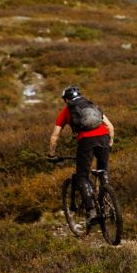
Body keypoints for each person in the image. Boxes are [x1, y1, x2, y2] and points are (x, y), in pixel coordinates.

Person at [48, 86, 114, 226]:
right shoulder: (91, 105)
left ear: (66, 99)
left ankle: (91, 212)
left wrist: (52, 154)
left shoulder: (67, 110)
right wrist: (110, 142)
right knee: (103, 169)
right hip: (104, 138)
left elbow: (55, 137)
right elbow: (110, 126)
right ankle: (107, 199)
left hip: (86, 141)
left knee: (82, 176)